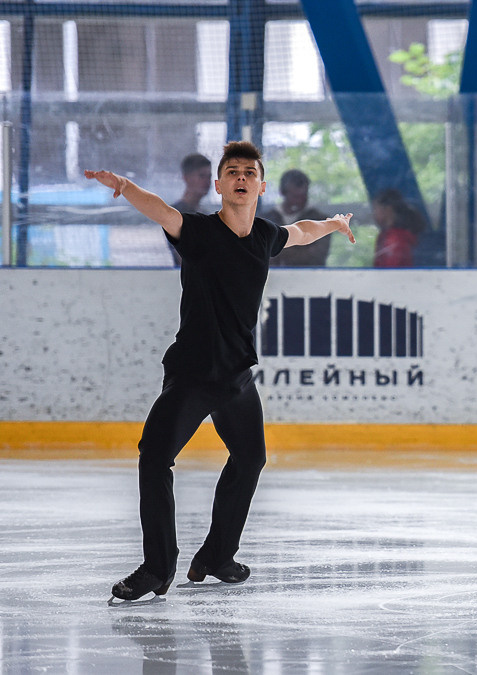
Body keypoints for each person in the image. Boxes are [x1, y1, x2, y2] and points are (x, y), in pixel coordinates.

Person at [85, 141, 355, 602]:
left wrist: (333, 223)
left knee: (250, 459)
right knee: (154, 458)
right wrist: (127, 187)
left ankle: (216, 556)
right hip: (192, 373)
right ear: (219, 185)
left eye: (250, 171)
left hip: (235, 378)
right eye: (232, 171)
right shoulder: (197, 232)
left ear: (260, 185)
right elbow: (161, 210)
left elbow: (302, 231)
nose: (242, 177)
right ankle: (157, 567)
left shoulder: (266, 236)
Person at [261, 169, 331, 267]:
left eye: (303, 196)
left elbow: (317, 256)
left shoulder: (320, 221)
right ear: (282, 192)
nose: (300, 201)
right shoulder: (265, 220)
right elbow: (258, 253)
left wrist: (277, 249)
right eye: (295, 197)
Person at [166, 154, 213, 266]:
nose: (207, 182)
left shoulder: (206, 215)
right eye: (202, 176)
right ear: (186, 178)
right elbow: (184, 258)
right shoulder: (176, 213)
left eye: (209, 176)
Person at [372, 188, 426, 268]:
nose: (374, 213)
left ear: (388, 209)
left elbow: (390, 272)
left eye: (376, 209)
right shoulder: (385, 236)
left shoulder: (395, 239)